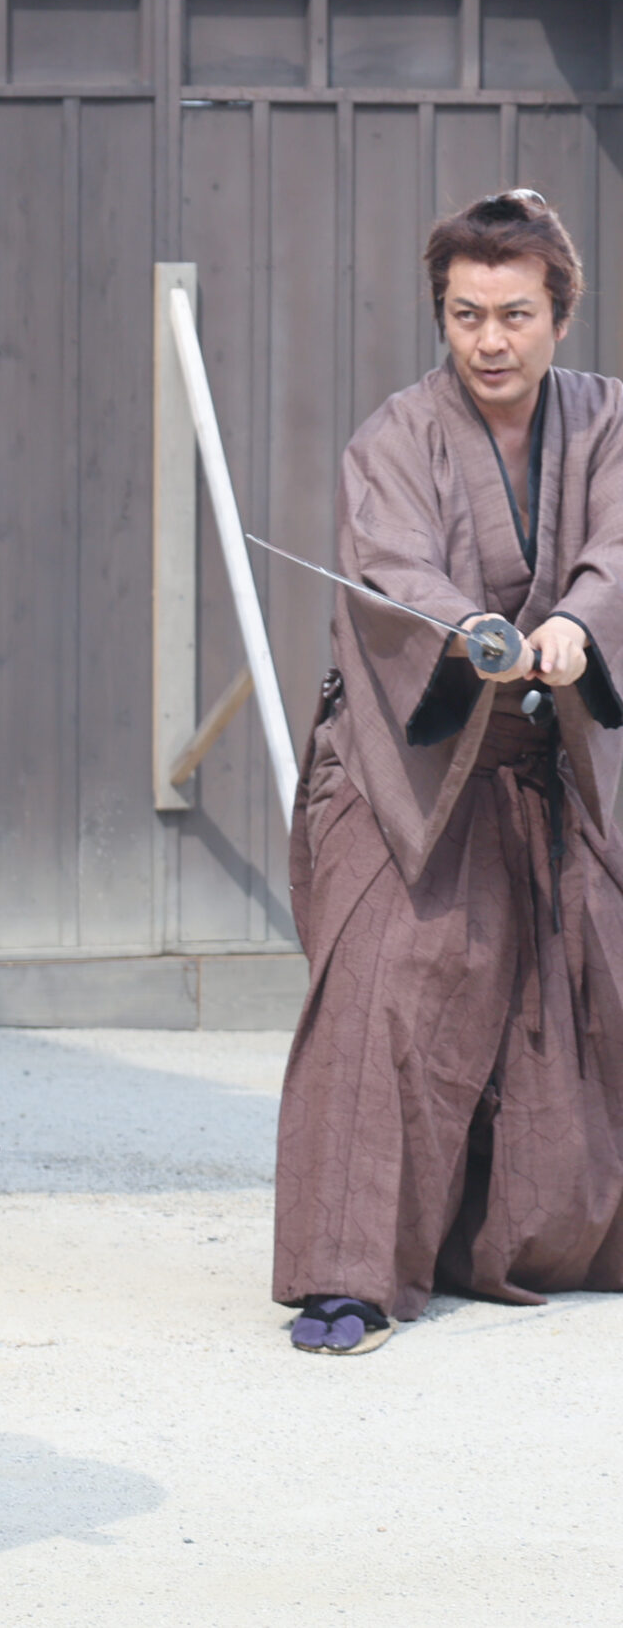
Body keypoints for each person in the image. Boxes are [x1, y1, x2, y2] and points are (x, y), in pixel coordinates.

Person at [274, 189, 623, 1356]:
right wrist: (472, 630)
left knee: (595, 976)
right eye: (466, 315)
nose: (489, 340)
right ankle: (346, 1277)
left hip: (553, 759)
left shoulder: (610, 423)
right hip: (407, 761)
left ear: (560, 315)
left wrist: (577, 624)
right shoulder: (393, 437)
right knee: (388, 974)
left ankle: (532, 1236)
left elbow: (618, 553)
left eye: (515, 314)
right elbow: (392, 571)